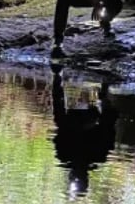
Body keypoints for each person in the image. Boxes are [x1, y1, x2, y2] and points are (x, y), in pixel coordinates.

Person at [50, 64, 119, 196]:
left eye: (75, 176)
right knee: (107, 124)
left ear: (70, 175)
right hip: (91, 117)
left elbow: (59, 132)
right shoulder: (98, 157)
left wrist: (78, 126)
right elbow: (109, 131)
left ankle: (57, 79)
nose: (77, 173)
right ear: (86, 177)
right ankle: (105, 92)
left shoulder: (64, 155)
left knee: (60, 120)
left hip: (76, 117)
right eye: (80, 177)